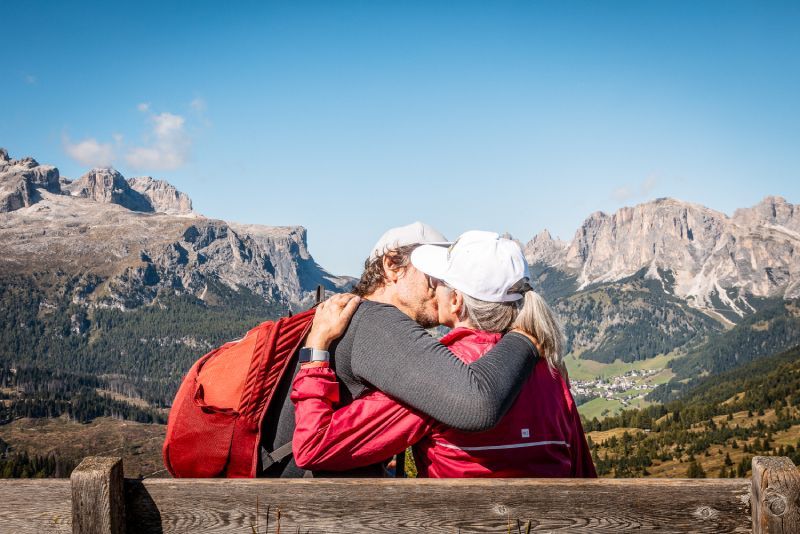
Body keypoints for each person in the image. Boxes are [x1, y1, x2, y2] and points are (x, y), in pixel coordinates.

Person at [291, 231, 596, 478]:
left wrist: (316, 353)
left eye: (437, 282)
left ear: (455, 301)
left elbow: (314, 447)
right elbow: (583, 474)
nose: (431, 288)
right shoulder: (551, 369)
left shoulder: (447, 378)